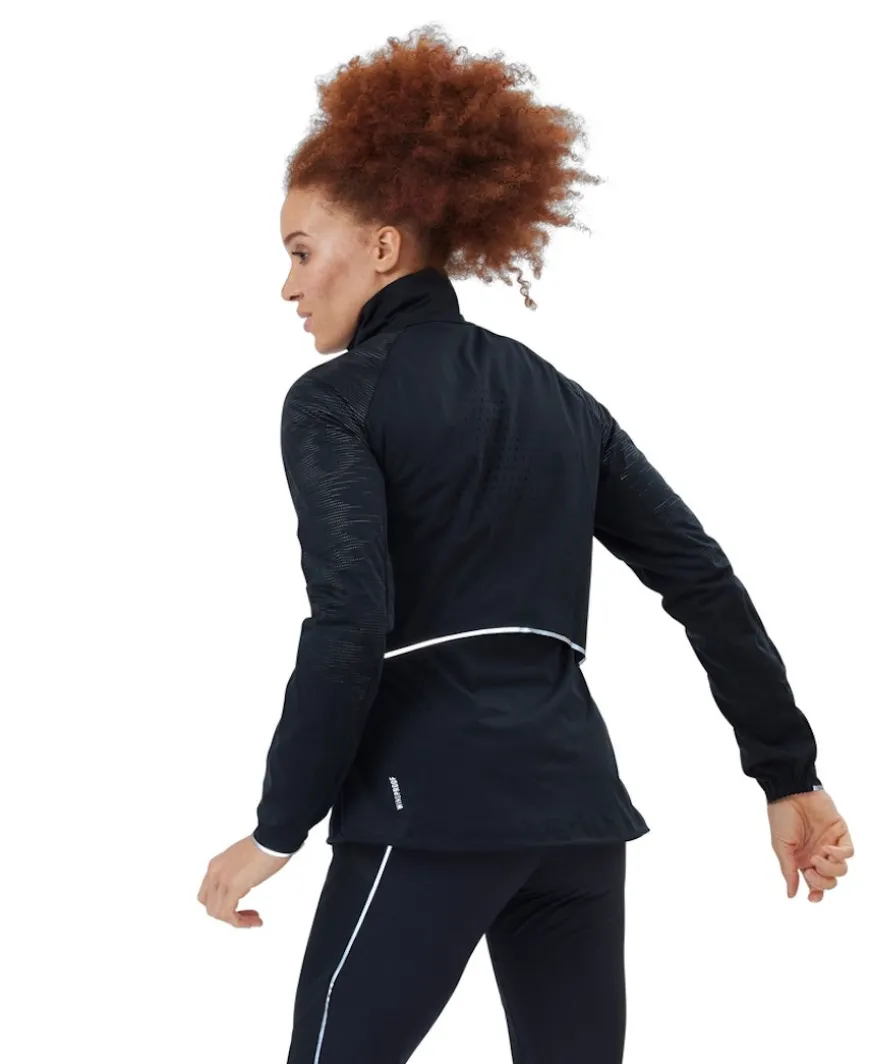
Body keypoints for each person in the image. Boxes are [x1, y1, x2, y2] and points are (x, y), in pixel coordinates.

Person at [196, 24, 854, 1064]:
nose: (288, 285)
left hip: (428, 811)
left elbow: (351, 620)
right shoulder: (560, 399)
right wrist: (788, 773)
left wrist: (278, 827)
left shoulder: (334, 401)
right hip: (577, 821)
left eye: (301, 250)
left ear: (382, 248)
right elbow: (702, 577)